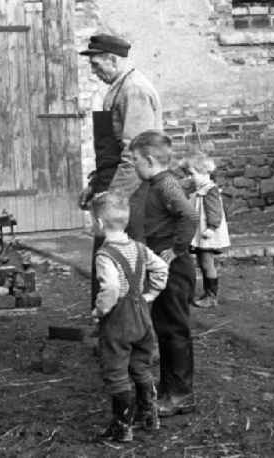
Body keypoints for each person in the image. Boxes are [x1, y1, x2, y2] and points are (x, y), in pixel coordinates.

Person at [78, 34, 163, 310]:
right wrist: (95, 183)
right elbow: (110, 150)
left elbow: (134, 156)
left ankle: (130, 327)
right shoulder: (118, 87)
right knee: (106, 255)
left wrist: (112, 201)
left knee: (125, 259)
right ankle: (108, 323)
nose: (93, 71)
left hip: (132, 191)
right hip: (114, 183)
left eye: (96, 65)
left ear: (112, 60)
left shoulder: (134, 90)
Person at [126, 130, 199, 417]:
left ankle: (181, 395)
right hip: (160, 265)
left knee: (175, 329)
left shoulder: (166, 185)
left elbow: (190, 216)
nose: (133, 165)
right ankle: (169, 389)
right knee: (165, 329)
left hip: (174, 268)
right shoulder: (153, 184)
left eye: (135, 160)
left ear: (149, 159)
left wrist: (176, 248)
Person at [90, 192, 168, 442]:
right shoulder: (139, 248)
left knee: (116, 371)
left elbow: (111, 288)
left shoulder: (105, 255)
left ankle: (122, 426)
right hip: (142, 315)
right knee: (140, 366)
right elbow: (162, 268)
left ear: (100, 224)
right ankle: (150, 415)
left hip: (119, 320)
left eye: (93, 221)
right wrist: (151, 294)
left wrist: (100, 310)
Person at [181, 151, 231, 308]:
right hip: (200, 232)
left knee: (207, 262)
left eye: (192, 174)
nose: (189, 178)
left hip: (207, 233)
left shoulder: (210, 190)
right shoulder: (198, 189)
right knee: (202, 262)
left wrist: (211, 227)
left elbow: (214, 211)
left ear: (205, 172)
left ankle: (211, 296)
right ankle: (207, 293)